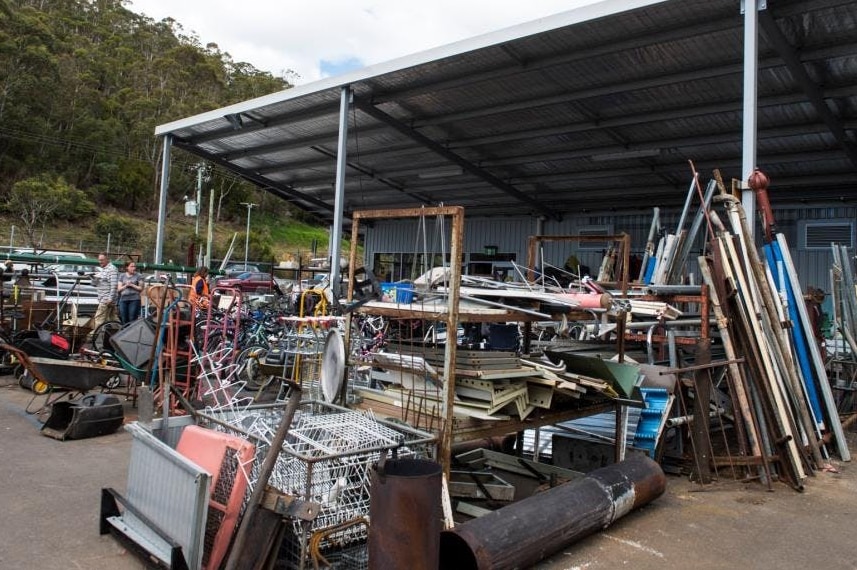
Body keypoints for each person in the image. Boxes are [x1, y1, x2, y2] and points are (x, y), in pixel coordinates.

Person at [92, 253, 119, 332]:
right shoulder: (103, 269)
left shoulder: (112, 269)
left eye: (102, 260)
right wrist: (94, 278)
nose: (100, 262)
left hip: (106, 299)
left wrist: (110, 299)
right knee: (113, 318)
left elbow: (114, 285)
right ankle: (121, 334)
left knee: (99, 318)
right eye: (99, 260)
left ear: (107, 259)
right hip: (104, 298)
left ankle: (91, 337)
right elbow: (95, 284)